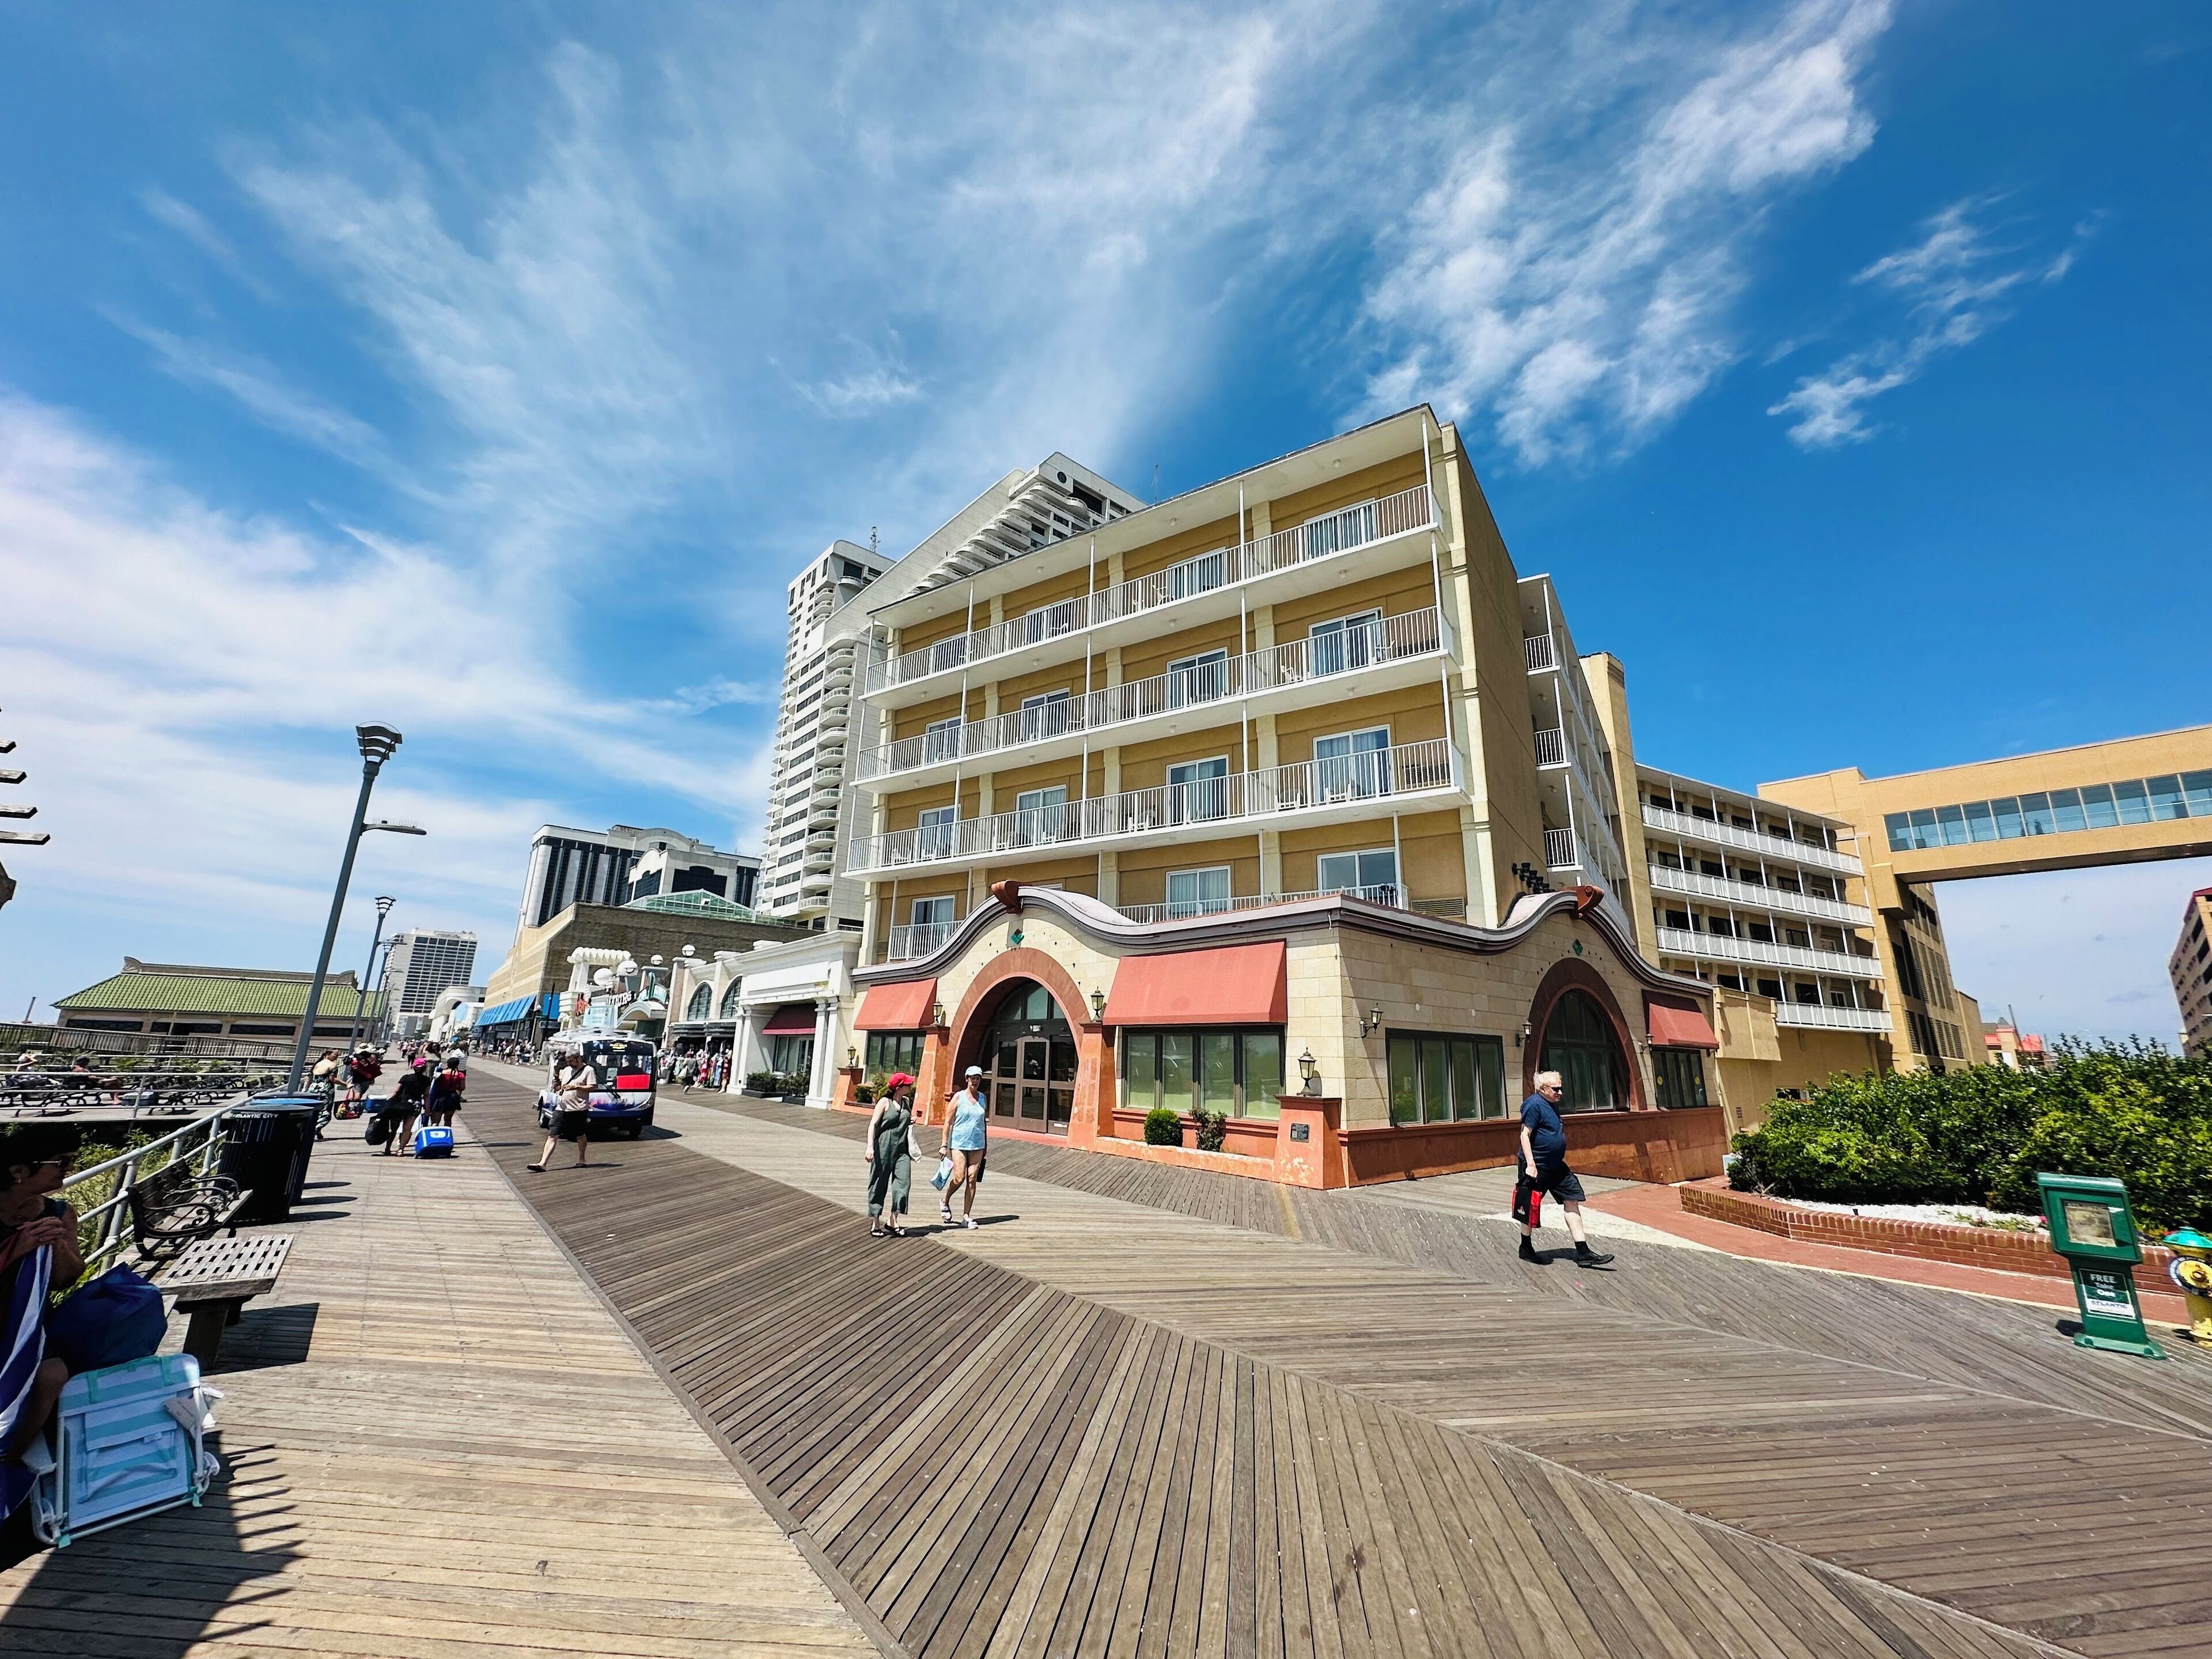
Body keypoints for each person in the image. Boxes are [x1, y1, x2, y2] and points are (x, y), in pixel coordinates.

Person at [1, 1124, 86, 1467]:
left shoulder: (60, 1213)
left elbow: (66, 1279)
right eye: (62, 1162)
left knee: (52, 1374)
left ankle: (10, 1456)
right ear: (19, 1172)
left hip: (25, 1325)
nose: (68, 1170)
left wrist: (59, 1247)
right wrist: (16, 1248)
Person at [1514, 1070, 1614, 1267]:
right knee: (1529, 1206)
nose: (1560, 1092)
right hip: (1537, 1166)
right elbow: (1524, 1135)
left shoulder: (1552, 1104)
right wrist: (1531, 1164)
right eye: (1555, 1089)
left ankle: (1583, 1253)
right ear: (1543, 1089)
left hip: (1557, 1167)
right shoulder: (1534, 1105)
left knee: (1572, 1200)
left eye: (1561, 1088)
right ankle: (1525, 1247)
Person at [863, 1074, 923, 1237]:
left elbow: (904, 1120)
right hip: (883, 1148)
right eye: (908, 1085)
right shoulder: (884, 1103)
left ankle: (893, 1220)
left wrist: (911, 1120)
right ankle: (875, 1222)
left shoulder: (906, 1102)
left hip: (902, 1150)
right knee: (878, 1183)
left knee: (903, 1184)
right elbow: (873, 1125)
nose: (910, 1087)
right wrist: (870, 1147)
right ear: (899, 1087)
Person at [937, 1066, 989, 1230]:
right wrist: (944, 1145)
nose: (975, 1081)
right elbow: (948, 1121)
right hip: (959, 1143)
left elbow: (983, 1124)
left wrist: (985, 1144)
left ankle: (966, 1216)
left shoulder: (983, 1098)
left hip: (978, 1145)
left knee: (972, 1179)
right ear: (967, 1079)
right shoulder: (958, 1097)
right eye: (972, 1078)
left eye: (978, 1078)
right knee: (959, 1178)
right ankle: (945, 1200)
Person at [530, 1051, 594, 1172]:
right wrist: (558, 1087)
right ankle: (542, 1163)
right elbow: (561, 1088)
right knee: (552, 1134)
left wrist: (577, 1087)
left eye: (571, 1061)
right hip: (562, 1108)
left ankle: (582, 1159)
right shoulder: (565, 1071)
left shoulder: (588, 1070)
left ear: (579, 1058)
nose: (569, 1064)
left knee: (580, 1135)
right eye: (568, 1061)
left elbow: (592, 1087)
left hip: (578, 1109)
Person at [383, 1059, 432, 1155]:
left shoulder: (406, 1078)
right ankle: (401, 1149)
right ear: (424, 1068)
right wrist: (427, 1109)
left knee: (394, 1128)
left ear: (414, 1067)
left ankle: (388, 1149)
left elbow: (396, 1092)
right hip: (415, 1106)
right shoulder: (426, 1080)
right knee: (407, 1128)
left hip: (401, 1104)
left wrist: (389, 1102)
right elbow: (426, 1096)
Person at [425, 1059, 465, 1127]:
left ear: (448, 1064)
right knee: (448, 1120)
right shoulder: (460, 1075)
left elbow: (435, 1083)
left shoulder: (441, 1073)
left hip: (440, 1097)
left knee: (436, 1121)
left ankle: (435, 1134)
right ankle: (447, 1135)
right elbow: (462, 1087)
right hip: (452, 1097)